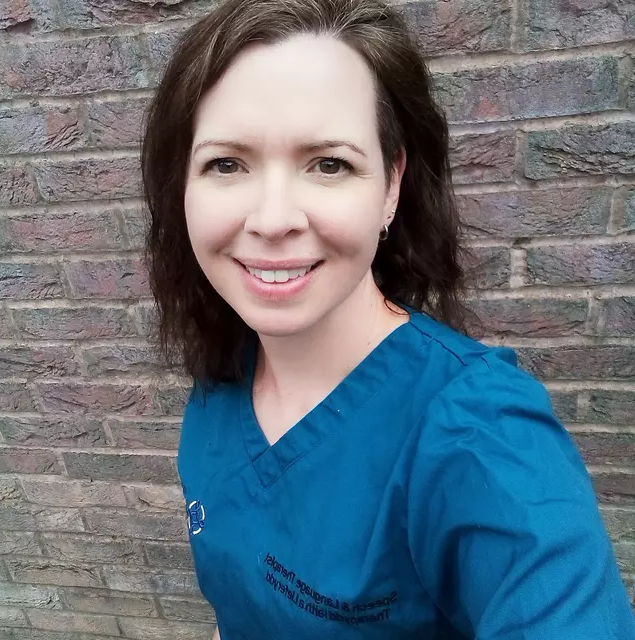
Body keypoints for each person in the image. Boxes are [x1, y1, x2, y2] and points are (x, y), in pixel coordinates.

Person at [141, 0, 635, 638]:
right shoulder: (221, 378)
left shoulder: (485, 436)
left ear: (391, 185)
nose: (271, 218)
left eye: (329, 164)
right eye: (226, 163)